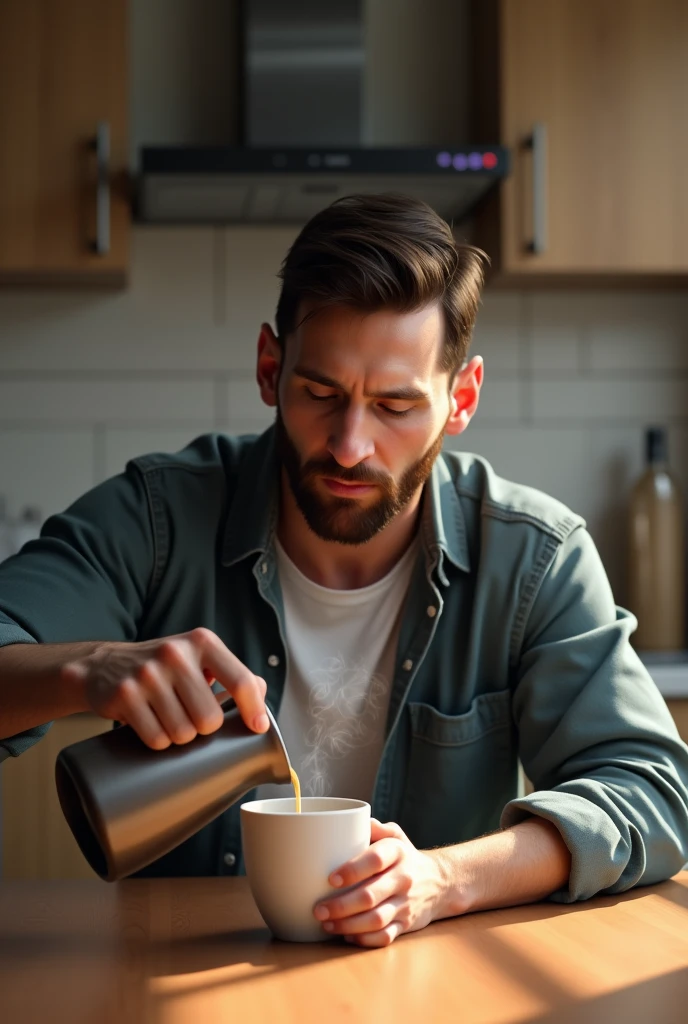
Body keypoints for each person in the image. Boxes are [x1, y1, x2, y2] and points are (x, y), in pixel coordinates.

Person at [1, 194, 687, 948]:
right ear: (270, 367)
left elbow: (652, 792)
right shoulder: (158, 519)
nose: (351, 444)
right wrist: (80, 668)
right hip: (177, 981)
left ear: (461, 399)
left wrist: (445, 880)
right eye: (320, 394)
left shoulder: (532, 558)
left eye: (395, 406)